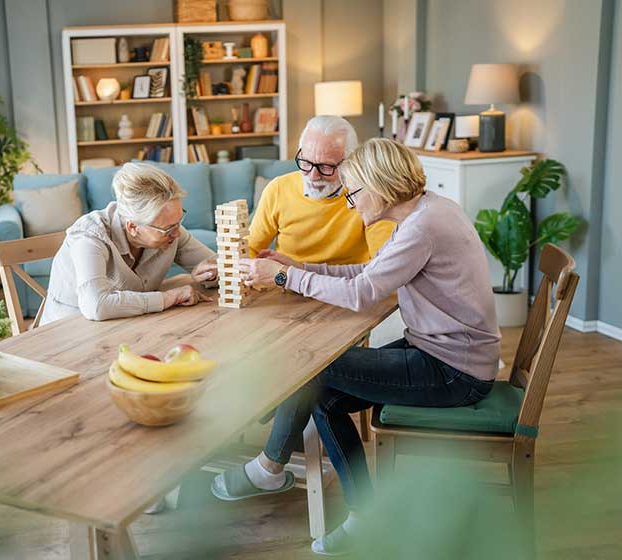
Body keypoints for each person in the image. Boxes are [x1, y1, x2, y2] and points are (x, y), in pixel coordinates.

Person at [213, 138, 501, 556]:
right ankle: (360, 510)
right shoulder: (429, 210)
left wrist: (282, 278)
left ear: (379, 187)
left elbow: (363, 292)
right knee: (324, 397)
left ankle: (269, 466)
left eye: (353, 191)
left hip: (455, 372)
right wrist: (297, 266)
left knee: (312, 365)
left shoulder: (423, 227)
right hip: (443, 354)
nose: (350, 202)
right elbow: (372, 270)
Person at [41, 162, 217, 324]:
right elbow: (96, 306)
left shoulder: (171, 232)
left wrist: (214, 274)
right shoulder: (89, 236)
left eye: (179, 221)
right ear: (133, 227)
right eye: (168, 229)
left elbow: (221, 267)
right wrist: (169, 297)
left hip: (131, 326)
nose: (177, 233)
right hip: (66, 336)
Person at [248, 115, 396, 265]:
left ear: (349, 163)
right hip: (287, 284)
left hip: (346, 285)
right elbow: (250, 248)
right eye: (306, 162)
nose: (313, 176)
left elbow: (384, 267)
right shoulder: (278, 189)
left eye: (326, 166)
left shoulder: (368, 197)